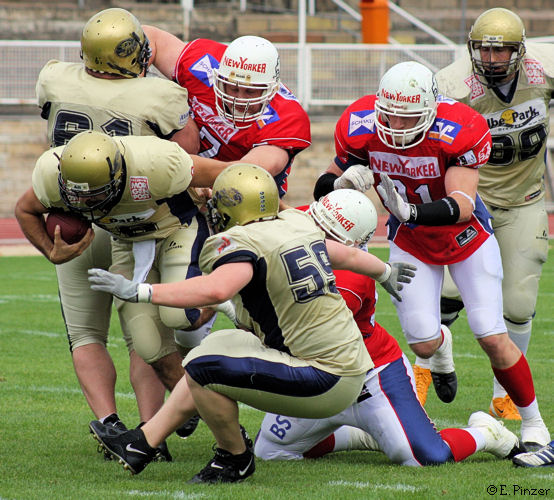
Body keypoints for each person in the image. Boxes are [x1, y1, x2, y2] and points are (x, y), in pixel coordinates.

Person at [85, 163, 416, 483]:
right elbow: (346, 254)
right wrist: (385, 271)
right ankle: (142, 443)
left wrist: (141, 291)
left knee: (204, 368)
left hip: (325, 376)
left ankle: (234, 458)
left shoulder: (250, 242)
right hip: (339, 364)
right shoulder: (294, 223)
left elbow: (217, 289)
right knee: (215, 346)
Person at [312, 60, 550, 450]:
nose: (396, 125)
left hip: (467, 239)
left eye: (407, 117)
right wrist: (341, 184)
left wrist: (411, 212)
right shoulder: (361, 124)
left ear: (430, 111)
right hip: (411, 242)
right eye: (389, 114)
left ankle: (533, 423)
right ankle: (442, 349)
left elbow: (463, 205)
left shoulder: (458, 128)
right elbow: (325, 189)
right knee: (423, 343)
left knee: (491, 334)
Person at [32, 7, 197, 458]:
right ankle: (151, 429)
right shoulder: (160, 95)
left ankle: (109, 424)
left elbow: (29, 200)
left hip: (74, 219)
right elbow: (189, 156)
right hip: (138, 221)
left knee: (85, 334)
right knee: (141, 334)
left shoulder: (54, 79)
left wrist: (49, 246)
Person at [255, 189, 522, 465]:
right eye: (316, 223)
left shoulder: (351, 281)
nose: (315, 234)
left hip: (371, 376)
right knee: (271, 450)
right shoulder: (308, 221)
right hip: (323, 371)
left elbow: (292, 332)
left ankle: (486, 433)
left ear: (350, 245)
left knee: (423, 456)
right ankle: (367, 436)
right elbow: (283, 218)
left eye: (327, 233)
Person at [14, 131, 229, 437]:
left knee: (181, 315)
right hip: (128, 243)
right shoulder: (49, 173)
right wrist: (51, 251)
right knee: (149, 346)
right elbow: (25, 209)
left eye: (94, 194)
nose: (84, 203)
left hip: (176, 229)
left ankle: (220, 296)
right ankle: (214, 423)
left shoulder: (156, 162)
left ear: (117, 175)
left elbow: (230, 174)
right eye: (76, 195)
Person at [433, 7, 554, 423]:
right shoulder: (453, 85)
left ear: (519, 50)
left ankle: (505, 396)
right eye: (484, 50)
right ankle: (428, 364)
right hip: (474, 203)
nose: (492, 59)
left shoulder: (544, 70)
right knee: (447, 293)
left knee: (518, 304)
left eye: (501, 50)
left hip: (524, 200)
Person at [141, 25, 311, 199]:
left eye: (250, 91)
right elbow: (145, 37)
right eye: (233, 88)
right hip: (185, 168)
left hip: (244, 196)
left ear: (270, 90)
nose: (239, 99)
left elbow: (245, 173)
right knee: (173, 115)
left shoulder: (287, 117)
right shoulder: (203, 66)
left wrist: (180, 169)